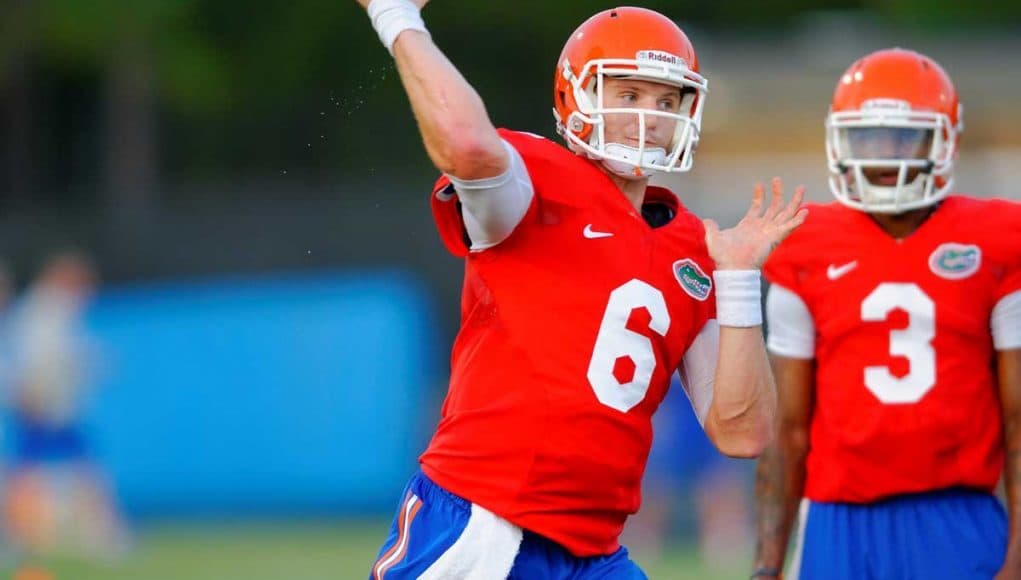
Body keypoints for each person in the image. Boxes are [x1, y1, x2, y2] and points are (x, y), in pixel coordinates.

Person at [358, 3, 806, 578]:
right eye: (629, 95)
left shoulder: (697, 248)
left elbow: (744, 432)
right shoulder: (534, 183)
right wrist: (397, 18)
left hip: (594, 551)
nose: (650, 116)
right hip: (484, 524)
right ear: (578, 97)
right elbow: (467, 146)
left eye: (666, 101)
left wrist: (741, 282)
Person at [752, 48, 1021, 580]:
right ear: (838, 140)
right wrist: (767, 566)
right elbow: (788, 431)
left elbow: (1019, 421)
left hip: (957, 514)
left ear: (944, 139)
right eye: (867, 138)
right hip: (837, 520)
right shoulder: (804, 248)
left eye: (903, 137)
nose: (884, 157)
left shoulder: (998, 241)